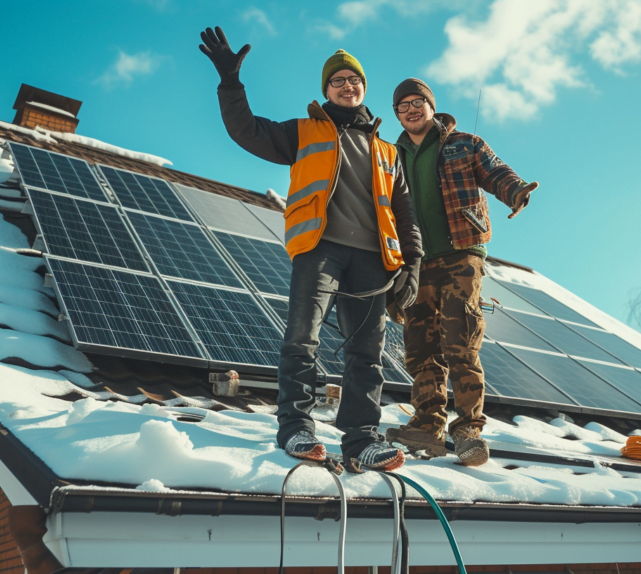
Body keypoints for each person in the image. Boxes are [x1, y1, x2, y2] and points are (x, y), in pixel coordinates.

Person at [199, 27, 423, 472]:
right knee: (302, 339)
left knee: (367, 352)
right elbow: (246, 130)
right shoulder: (304, 132)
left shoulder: (386, 152)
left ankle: (361, 439)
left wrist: (413, 263)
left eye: (354, 80)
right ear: (326, 90)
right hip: (319, 249)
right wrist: (230, 81)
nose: (347, 86)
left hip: (372, 261)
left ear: (363, 89)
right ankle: (296, 427)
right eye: (337, 80)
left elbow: (406, 212)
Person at [386, 78, 537, 466]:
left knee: (460, 338)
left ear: (431, 106)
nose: (411, 110)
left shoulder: (463, 143)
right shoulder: (389, 156)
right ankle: (427, 424)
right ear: (397, 115)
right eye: (402, 106)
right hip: (413, 261)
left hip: (460, 252)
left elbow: (496, 171)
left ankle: (468, 428)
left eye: (418, 102)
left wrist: (516, 190)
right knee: (419, 345)